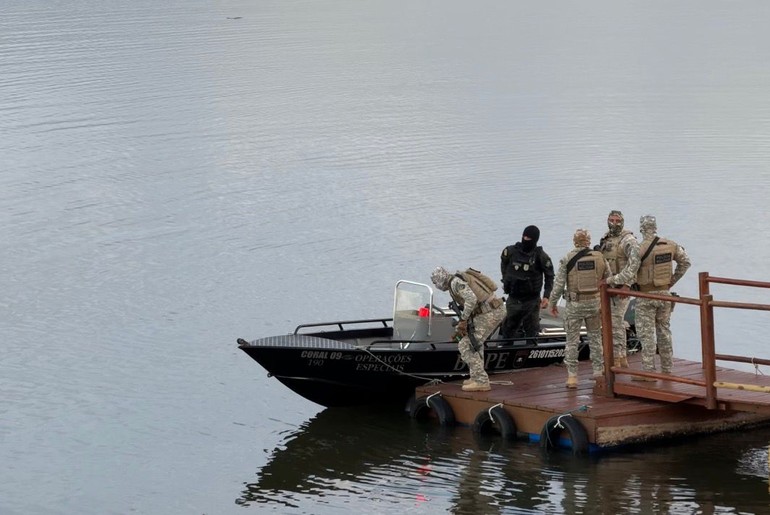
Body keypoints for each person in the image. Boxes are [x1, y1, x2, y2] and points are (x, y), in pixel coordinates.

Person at [548, 229, 611, 388]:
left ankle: (572, 376)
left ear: (574, 241)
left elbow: (559, 284)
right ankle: (598, 370)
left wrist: (553, 303)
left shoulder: (568, 258)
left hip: (574, 305)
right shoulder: (600, 257)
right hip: (594, 303)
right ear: (588, 241)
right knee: (596, 338)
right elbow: (608, 278)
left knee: (572, 340)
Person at [633, 215, 691, 379]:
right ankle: (667, 368)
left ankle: (649, 372)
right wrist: (672, 281)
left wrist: (612, 280)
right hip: (665, 295)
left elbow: (629, 273)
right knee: (664, 331)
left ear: (641, 228)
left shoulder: (639, 248)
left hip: (645, 296)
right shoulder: (670, 245)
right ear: (655, 227)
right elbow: (686, 262)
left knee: (647, 334)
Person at [430, 266, 506, 392]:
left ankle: (481, 381)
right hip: (490, 311)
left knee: (465, 345)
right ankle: (476, 377)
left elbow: (471, 299)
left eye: (435, 283)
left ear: (440, 280)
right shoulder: (455, 282)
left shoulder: (455, 283)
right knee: (475, 344)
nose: (436, 286)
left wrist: (463, 320)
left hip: (490, 312)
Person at [597, 210, 641, 368]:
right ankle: (621, 356)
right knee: (615, 322)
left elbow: (635, 264)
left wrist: (627, 285)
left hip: (621, 287)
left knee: (615, 322)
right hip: (607, 286)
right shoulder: (606, 238)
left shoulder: (628, 240)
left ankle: (616, 359)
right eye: (611, 220)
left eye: (617, 220)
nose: (614, 223)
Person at [500, 225, 555, 339]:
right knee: (509, 328)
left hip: (532, 300)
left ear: (534, 239)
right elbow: (504, 264)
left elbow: (549, 276)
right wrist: (506, 280)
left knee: (531, 330)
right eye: (524, 236)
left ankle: (530, 350)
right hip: (514, 298)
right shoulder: (510, 251)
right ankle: (507, 350)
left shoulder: (541, 256)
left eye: (528, 238)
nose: (525, 239)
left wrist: (546, 296)